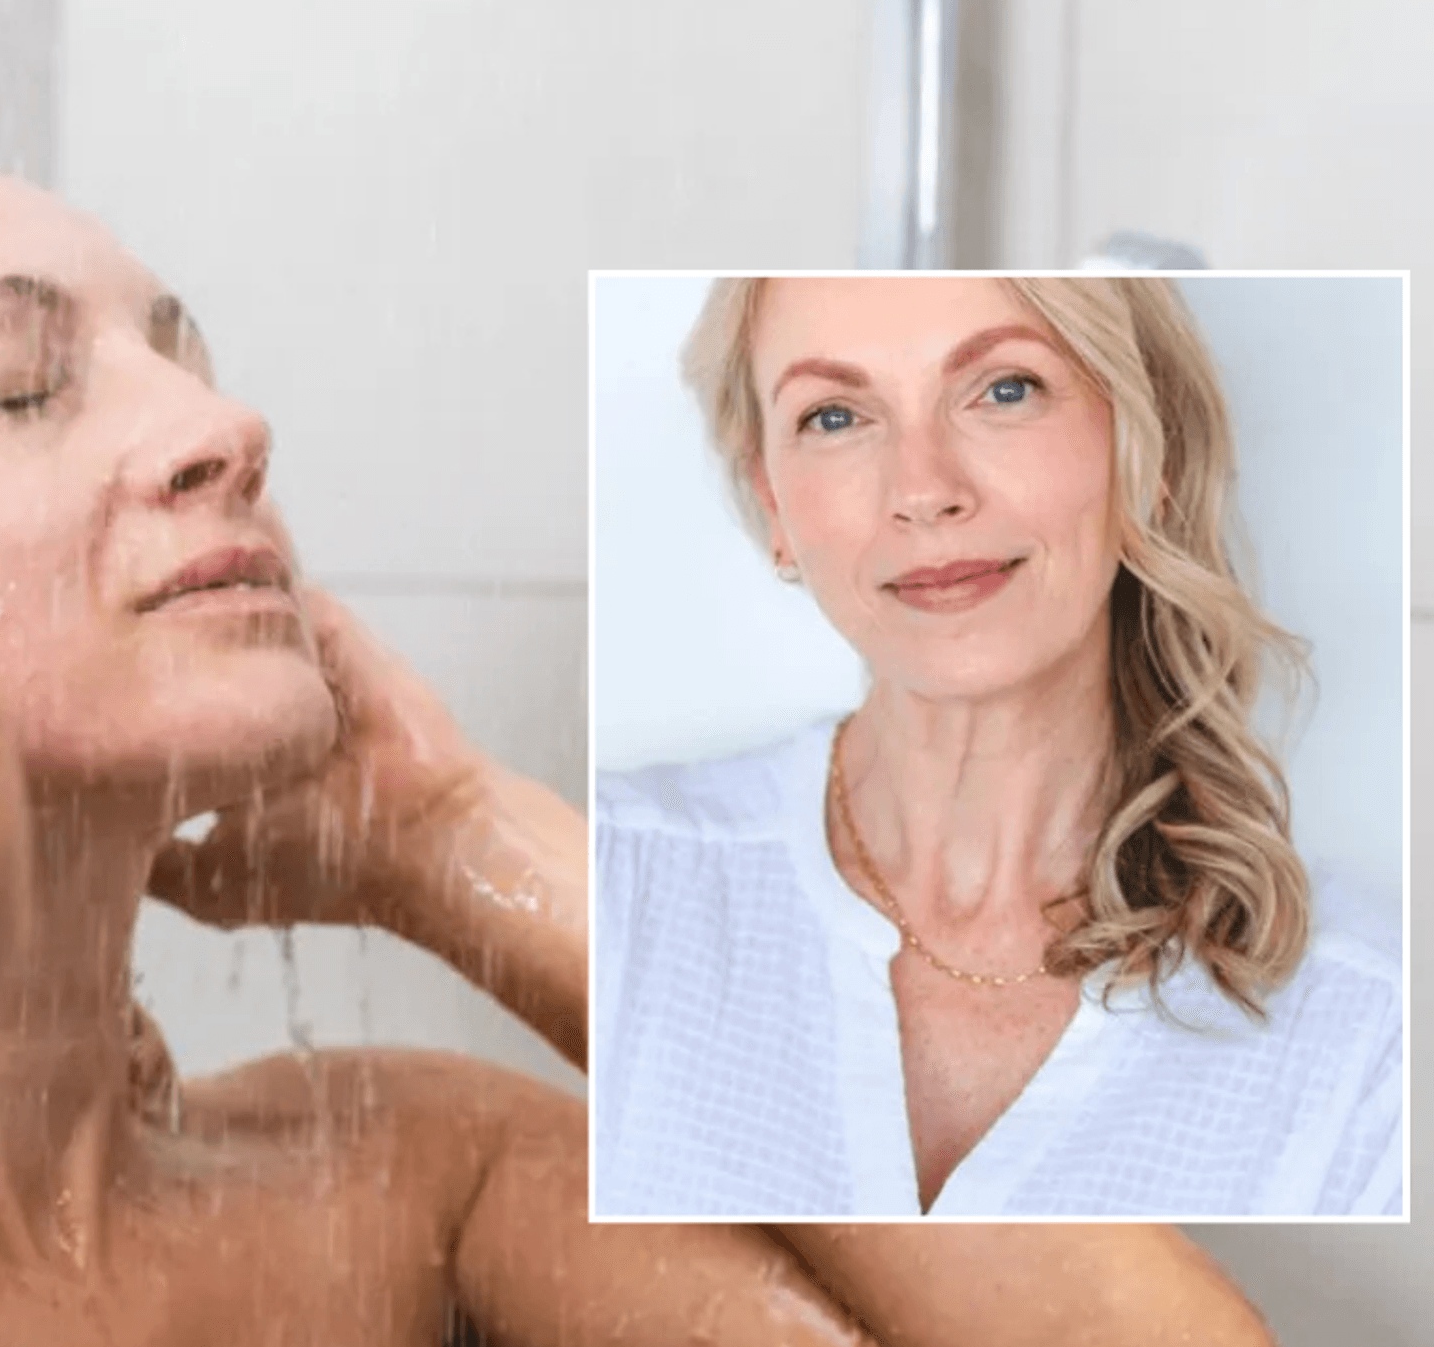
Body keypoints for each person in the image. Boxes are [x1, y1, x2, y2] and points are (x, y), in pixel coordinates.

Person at [0, 159, 1288, 1347]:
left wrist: (451, 838)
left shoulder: (385, 1190)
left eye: (181, 354)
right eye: (17, 387)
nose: (222, 422)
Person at [594, 275, 1402, 1219]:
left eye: (1005, 390)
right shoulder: (607, 891)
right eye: (836, 416)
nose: (925, 491)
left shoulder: (1371, 1035)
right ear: (773, 500)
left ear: (1149, 449)